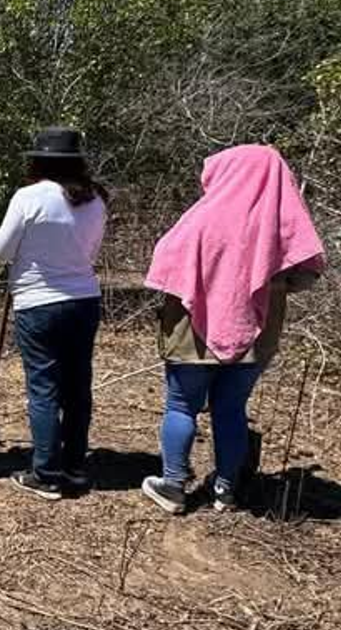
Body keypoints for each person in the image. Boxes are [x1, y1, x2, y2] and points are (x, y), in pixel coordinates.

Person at [141, 145, 325, 514]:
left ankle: (174, 485)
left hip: (192, 327)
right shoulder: (283, 219)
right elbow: (308, 271)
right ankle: (226, 490)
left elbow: (165, 259)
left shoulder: (202, 217)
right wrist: (272, 283)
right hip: (258, 328)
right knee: (231, 408)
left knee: (181, 404)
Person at [0, 127, 107, 500]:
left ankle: (46, 472)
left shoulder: (29, 197)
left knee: (44, 387)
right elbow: (90, 254)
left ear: (38, 161)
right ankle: (74, 467)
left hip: (38, 302)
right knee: (77, 388)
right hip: (84, 300)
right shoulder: (95, 199)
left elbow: (1, 249)